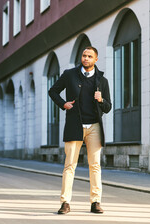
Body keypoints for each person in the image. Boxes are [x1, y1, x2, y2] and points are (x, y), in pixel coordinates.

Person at [48, 46, 112, 214]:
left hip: (94, 127)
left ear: (95, 59)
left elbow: (108, 107)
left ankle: (96, 202)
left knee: (95, 165)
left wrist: (101, 100)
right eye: (84, 55)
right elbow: (53, 91)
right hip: (74, 125)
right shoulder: (70, 75)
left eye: (89, 56)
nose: (86, 58)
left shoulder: (102, 80)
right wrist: (64, 104)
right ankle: (65, 203)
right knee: (69, 165)